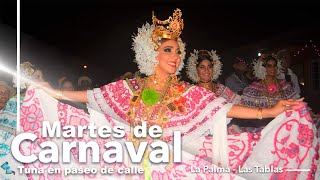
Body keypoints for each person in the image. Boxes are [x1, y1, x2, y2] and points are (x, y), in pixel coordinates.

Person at [22, 9, 317, 179]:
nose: (175, 57)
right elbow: (90, 97)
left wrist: (269, 112)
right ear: (151, 53)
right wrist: (52, 90)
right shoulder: (132, 87)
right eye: (167, 50)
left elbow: (223, 108)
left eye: (178, 51)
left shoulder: (185, 91)